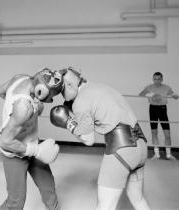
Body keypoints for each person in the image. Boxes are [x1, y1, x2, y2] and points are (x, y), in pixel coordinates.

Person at [49, 67, 151, 210]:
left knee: (105, 206)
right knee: (138, 200)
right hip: (140, 146)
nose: (62, 95)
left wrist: (69, 124)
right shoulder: (102, 87)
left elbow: (89, 140)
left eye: (62, 90)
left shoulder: (81, 101)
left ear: (70, 85)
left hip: (122, 149)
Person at [0, 68, 63, 210]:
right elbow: (5, 141)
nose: (50, 100)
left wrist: (31, 107)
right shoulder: (23, 107)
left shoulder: (20, 77)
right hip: (14, 153)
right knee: (16, 202)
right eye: (50, 96)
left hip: (31, 143)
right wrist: (37, 150)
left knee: (48, 187)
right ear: (41, 90)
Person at [139, 72, 179, 160]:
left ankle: (168, 155)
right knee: (154, 132)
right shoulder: (149, 87)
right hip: (153, 109)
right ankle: (156, 155)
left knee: (167, 134)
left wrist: (174, 95)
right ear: (153, 79)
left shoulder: (166, 87)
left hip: (162, 109)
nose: (156, 81)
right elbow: (140, 94)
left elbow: (175, 96)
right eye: (155, 79)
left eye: (158, 79)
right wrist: (149, 94)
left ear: (162, 79)